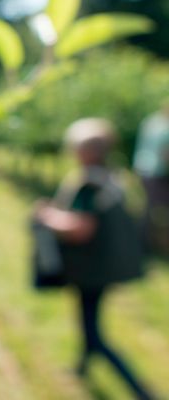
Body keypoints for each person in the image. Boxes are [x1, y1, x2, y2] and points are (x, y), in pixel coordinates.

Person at [34, 118, 154, 400]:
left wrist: (47, 217)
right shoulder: (113, 177)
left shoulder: (89, 183)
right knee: (88, 318)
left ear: (86, 151)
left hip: (91, 268)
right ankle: (82, 368)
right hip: (103, 266)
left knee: (95, 333)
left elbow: (80, 229)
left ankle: (141, 392)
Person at [133, 104, 169, 258]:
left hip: (143, 169)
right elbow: (165, 155)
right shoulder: (166, 128)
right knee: (161, 210)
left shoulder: (151, 121)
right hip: (158, 172)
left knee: (148, 208)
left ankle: (143, 244)